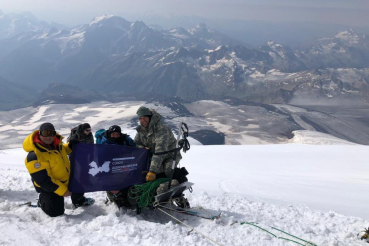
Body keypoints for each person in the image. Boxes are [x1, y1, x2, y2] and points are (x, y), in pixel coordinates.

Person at [23, 123, 95, 217]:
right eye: (45, 133)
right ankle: (42, 202)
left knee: (81, 179)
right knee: (56, 212)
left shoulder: (56, 144)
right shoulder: (34, 155)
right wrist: (63, 191)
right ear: (40, 134)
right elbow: (44, 181)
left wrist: (71, 145)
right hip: (49, 186)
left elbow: (62, 151)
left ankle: (78, 200)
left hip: (66, 178)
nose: (49, 137)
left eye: (51, 134)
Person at [134, 106, 190, 207]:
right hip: (153, 155)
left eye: (145, 118)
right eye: (141, 118)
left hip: (169, 155)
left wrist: (152, 171)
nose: (143, 120)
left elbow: (160, 151)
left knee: (168, 171)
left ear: (150, 117)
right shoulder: (142, 130)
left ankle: (177, 195)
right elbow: (136, 142)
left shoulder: (161, 129)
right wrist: (142, 148)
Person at [95, 125, 135, 208]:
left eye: (117, 134)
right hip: (109, 171)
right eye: (113, 134)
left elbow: (135, 151)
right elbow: (101, 165)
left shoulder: (125, 141)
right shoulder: (103, 145)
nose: (116, 136)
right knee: (116, 192)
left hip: (124, 169)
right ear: (109, 134)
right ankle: (114, 198)